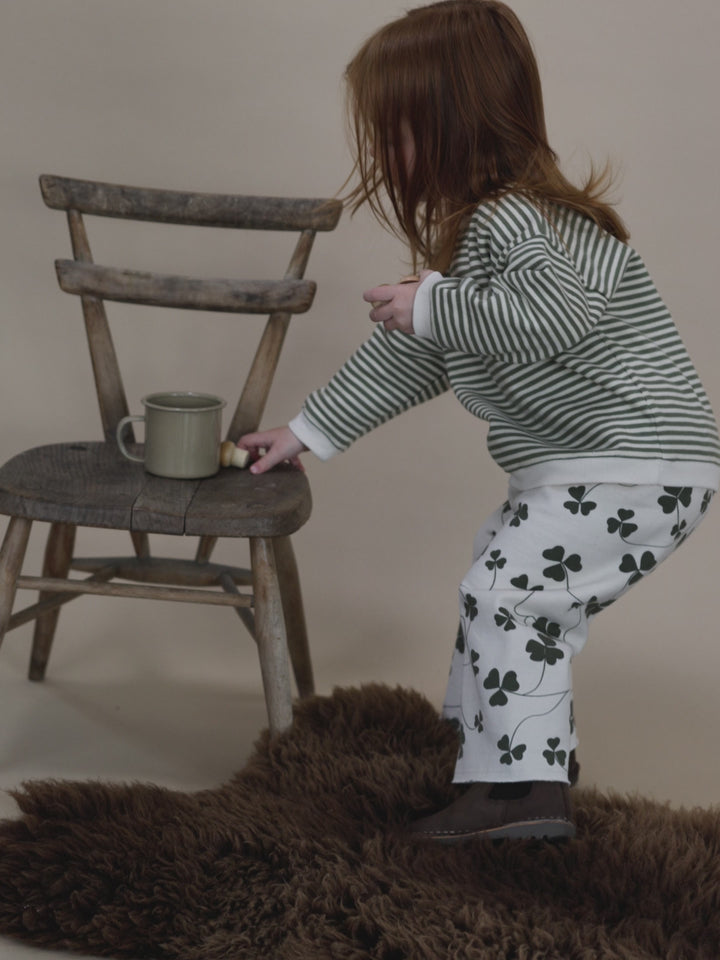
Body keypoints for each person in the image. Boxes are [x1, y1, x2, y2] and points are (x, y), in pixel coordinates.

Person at [239, 0, 720, 841]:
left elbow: (547, 316)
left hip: (630, 460)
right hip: (602, 465)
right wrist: (308, 431)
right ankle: (505, 754)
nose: (387, 155)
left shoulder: (519, 218)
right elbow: (423, 353)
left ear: (455, 127)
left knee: (511, 595)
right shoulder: (484, 237)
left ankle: (520, 795)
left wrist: (435, 302)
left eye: (398, 133)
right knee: (499, 577)